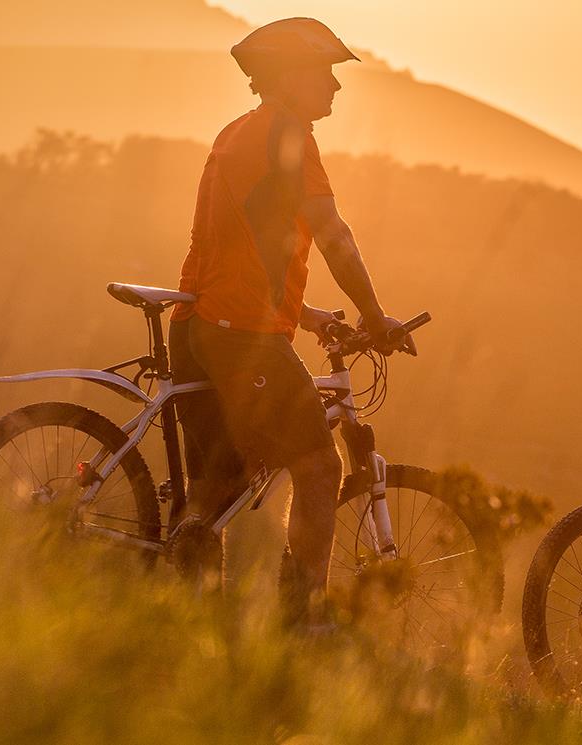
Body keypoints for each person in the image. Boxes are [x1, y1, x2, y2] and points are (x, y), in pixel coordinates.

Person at [167, 17, 411, 627]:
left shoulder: (237, 133)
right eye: (324, 72)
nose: (335, 86)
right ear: (290, 77)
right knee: (321, 466)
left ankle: (191, 624)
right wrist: (375, 316)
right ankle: (304, 622)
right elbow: (332, 234)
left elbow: (236, 248)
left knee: (216, 481)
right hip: (241, 336)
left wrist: (304, 315)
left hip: (199, 324)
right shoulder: (288, 137)